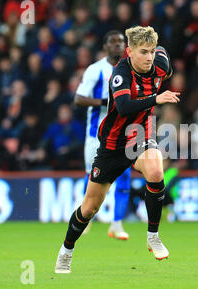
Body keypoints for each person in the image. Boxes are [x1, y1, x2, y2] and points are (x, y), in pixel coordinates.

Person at [55, 26, 178, 273]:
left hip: (140, 137)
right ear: (130, 52)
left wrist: (156, 49)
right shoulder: (120, 73)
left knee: (156, 171)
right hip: (112, 146)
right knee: (90, 207)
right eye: (143, 52)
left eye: (152, 51)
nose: (149, 57)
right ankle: (66, 251)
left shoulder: (160, 64)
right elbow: (123, 107)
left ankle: (153, 236)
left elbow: (164, 59)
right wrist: (157, 98)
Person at [74, 30, 131, 240]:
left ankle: (116, 224)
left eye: (120, 42)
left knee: (124, 175)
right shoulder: (95, 70)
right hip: (96, 134)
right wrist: (105, 103)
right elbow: (79, 99)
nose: (116, 45)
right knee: (92, 175)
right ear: (105, 46)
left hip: (124, 133)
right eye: (112, 42)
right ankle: (84, 218)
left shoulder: (132, 69)